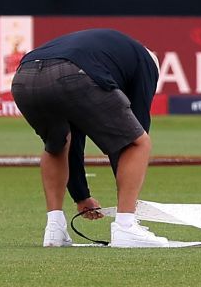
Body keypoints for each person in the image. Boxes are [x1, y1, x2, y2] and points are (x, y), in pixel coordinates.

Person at [9, 27, 169, 247]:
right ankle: (126, 228)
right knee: (137, 142)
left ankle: (54, 230)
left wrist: (81, 196)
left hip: (24, 76)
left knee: (56, 143)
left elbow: (73, 137)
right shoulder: (146, 62)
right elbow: (131, 137)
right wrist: (127, 205)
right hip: (74, 71)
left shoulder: (109, 52)